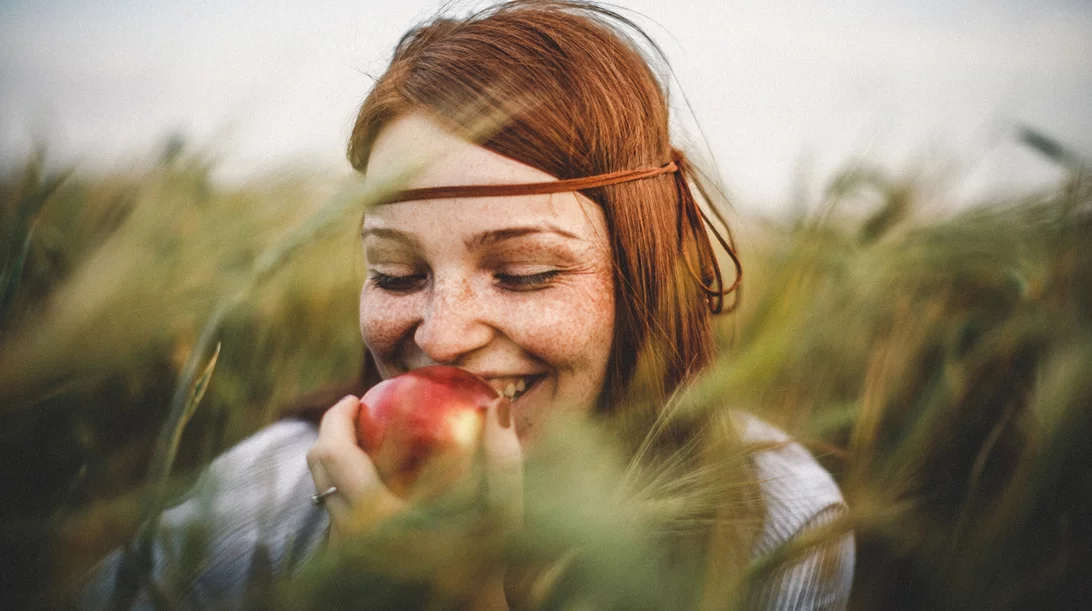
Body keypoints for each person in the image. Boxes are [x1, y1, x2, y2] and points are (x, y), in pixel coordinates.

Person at [84, 1, 853, 609]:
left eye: (521, 272)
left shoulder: (772, 521)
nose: (444, 335)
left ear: (642, 278)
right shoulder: (256, 510)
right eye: (393, 271)